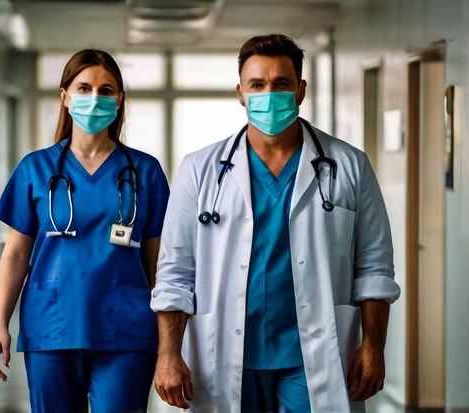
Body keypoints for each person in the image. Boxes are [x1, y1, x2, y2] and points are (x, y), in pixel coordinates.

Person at [150, 34, 401, 412]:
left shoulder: (349, 165)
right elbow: (175, 273)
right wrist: (168, 353)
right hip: (226, 352)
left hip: (313, 353)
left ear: (300, 90)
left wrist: (373, 346)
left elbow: (374, 266)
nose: (269, 94)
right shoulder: (200, 170)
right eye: (258, 85)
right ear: (240, 93)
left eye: (281, 84)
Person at [0, 49, 170, 413]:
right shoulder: (35, 168)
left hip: (127, 330)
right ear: (65, 97)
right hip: (53, 327)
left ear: (119, 99)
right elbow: (16, 255)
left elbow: (160, 264)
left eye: (106, 90)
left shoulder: (145, 171)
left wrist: (170, 343)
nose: (94, 98)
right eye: (84, 88)